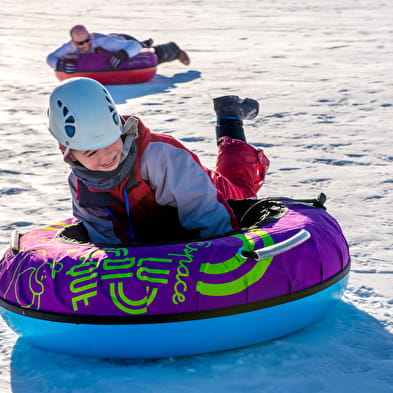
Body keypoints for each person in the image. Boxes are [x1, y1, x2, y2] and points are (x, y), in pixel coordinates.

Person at [47, 77, 270, 245]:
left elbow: (206, 213)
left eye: (110, 144)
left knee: (241, 187)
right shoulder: (80, 183)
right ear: (68, 154)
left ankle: (230, 117)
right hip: (158, 234)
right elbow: (102, 235)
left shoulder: (160, 155)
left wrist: (221, 256)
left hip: (208, 191)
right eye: (91, 154)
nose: (105, 157)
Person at [46, 24, 190, 73]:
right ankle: (146, 43)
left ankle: (174, 51)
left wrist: (123, 55)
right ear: (73, 43)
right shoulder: (70, 47)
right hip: (114, 45)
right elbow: (51, 57)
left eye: (87, 40)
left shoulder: (103, 42)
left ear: (90, 36)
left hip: (124, 41)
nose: (85, 45)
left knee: (146, 53)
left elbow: (133, 46)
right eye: (80, 44)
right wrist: (58, 64)